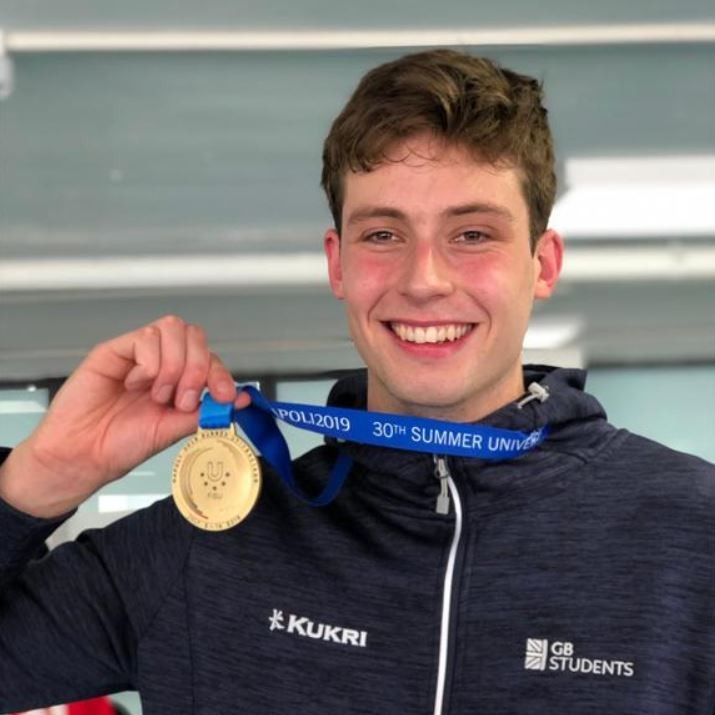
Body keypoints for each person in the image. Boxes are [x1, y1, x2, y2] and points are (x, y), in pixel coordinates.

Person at [0, 49, 712, 715]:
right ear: (337, 264)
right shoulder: (202, 550)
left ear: (543, 264)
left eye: (472, 234)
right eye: (382, 234)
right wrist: (38, 478)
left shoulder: (692, 535)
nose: (423, 280)